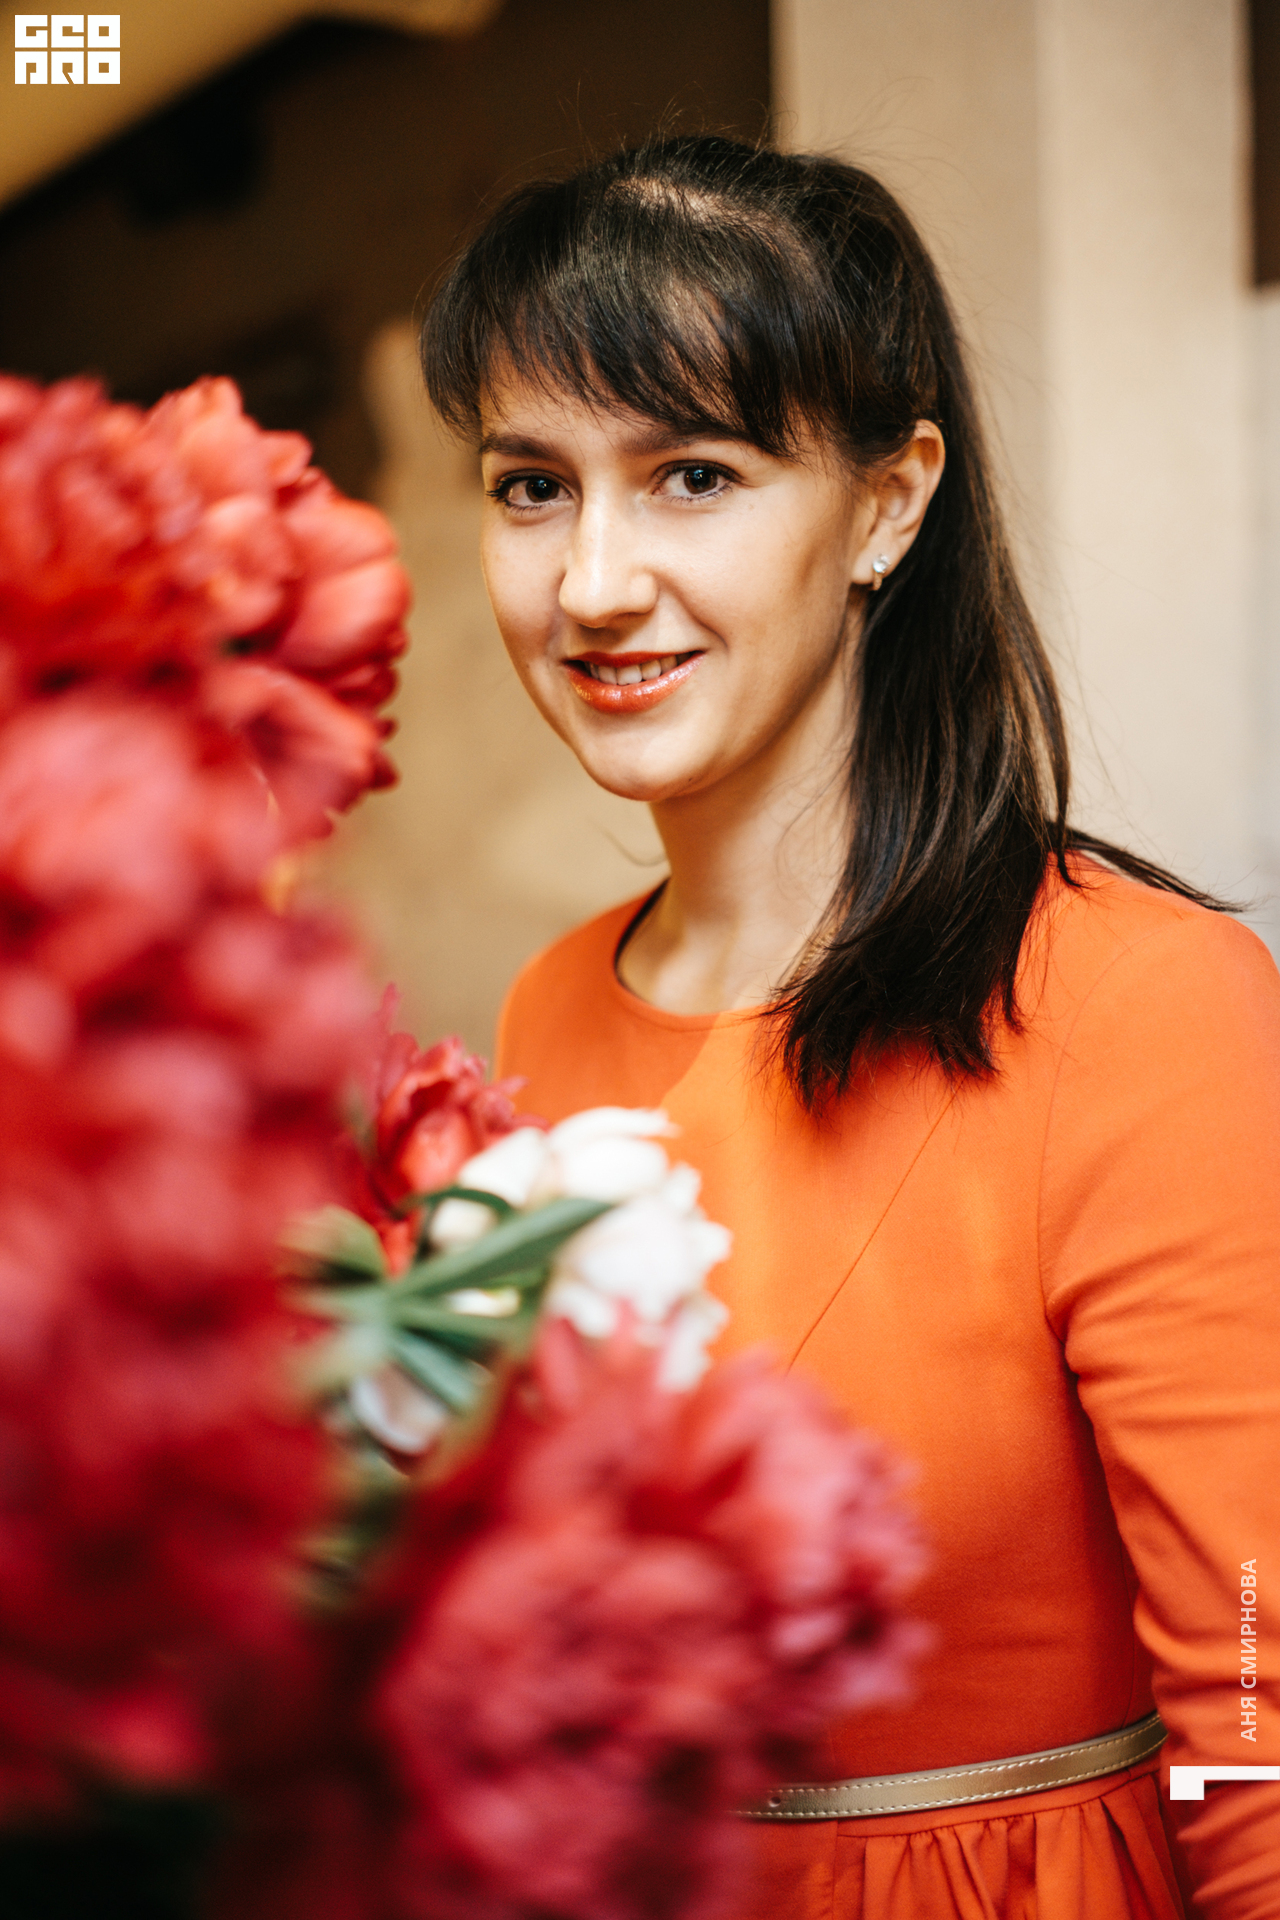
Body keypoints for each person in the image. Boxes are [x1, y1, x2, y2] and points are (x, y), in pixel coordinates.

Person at [419, 133, 1280, 1919]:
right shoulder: (546, 1009)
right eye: (531, 486)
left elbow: (1263, 1718)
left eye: (694, 475)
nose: (592, 582)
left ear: (889, 504)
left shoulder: (1139, 1001)